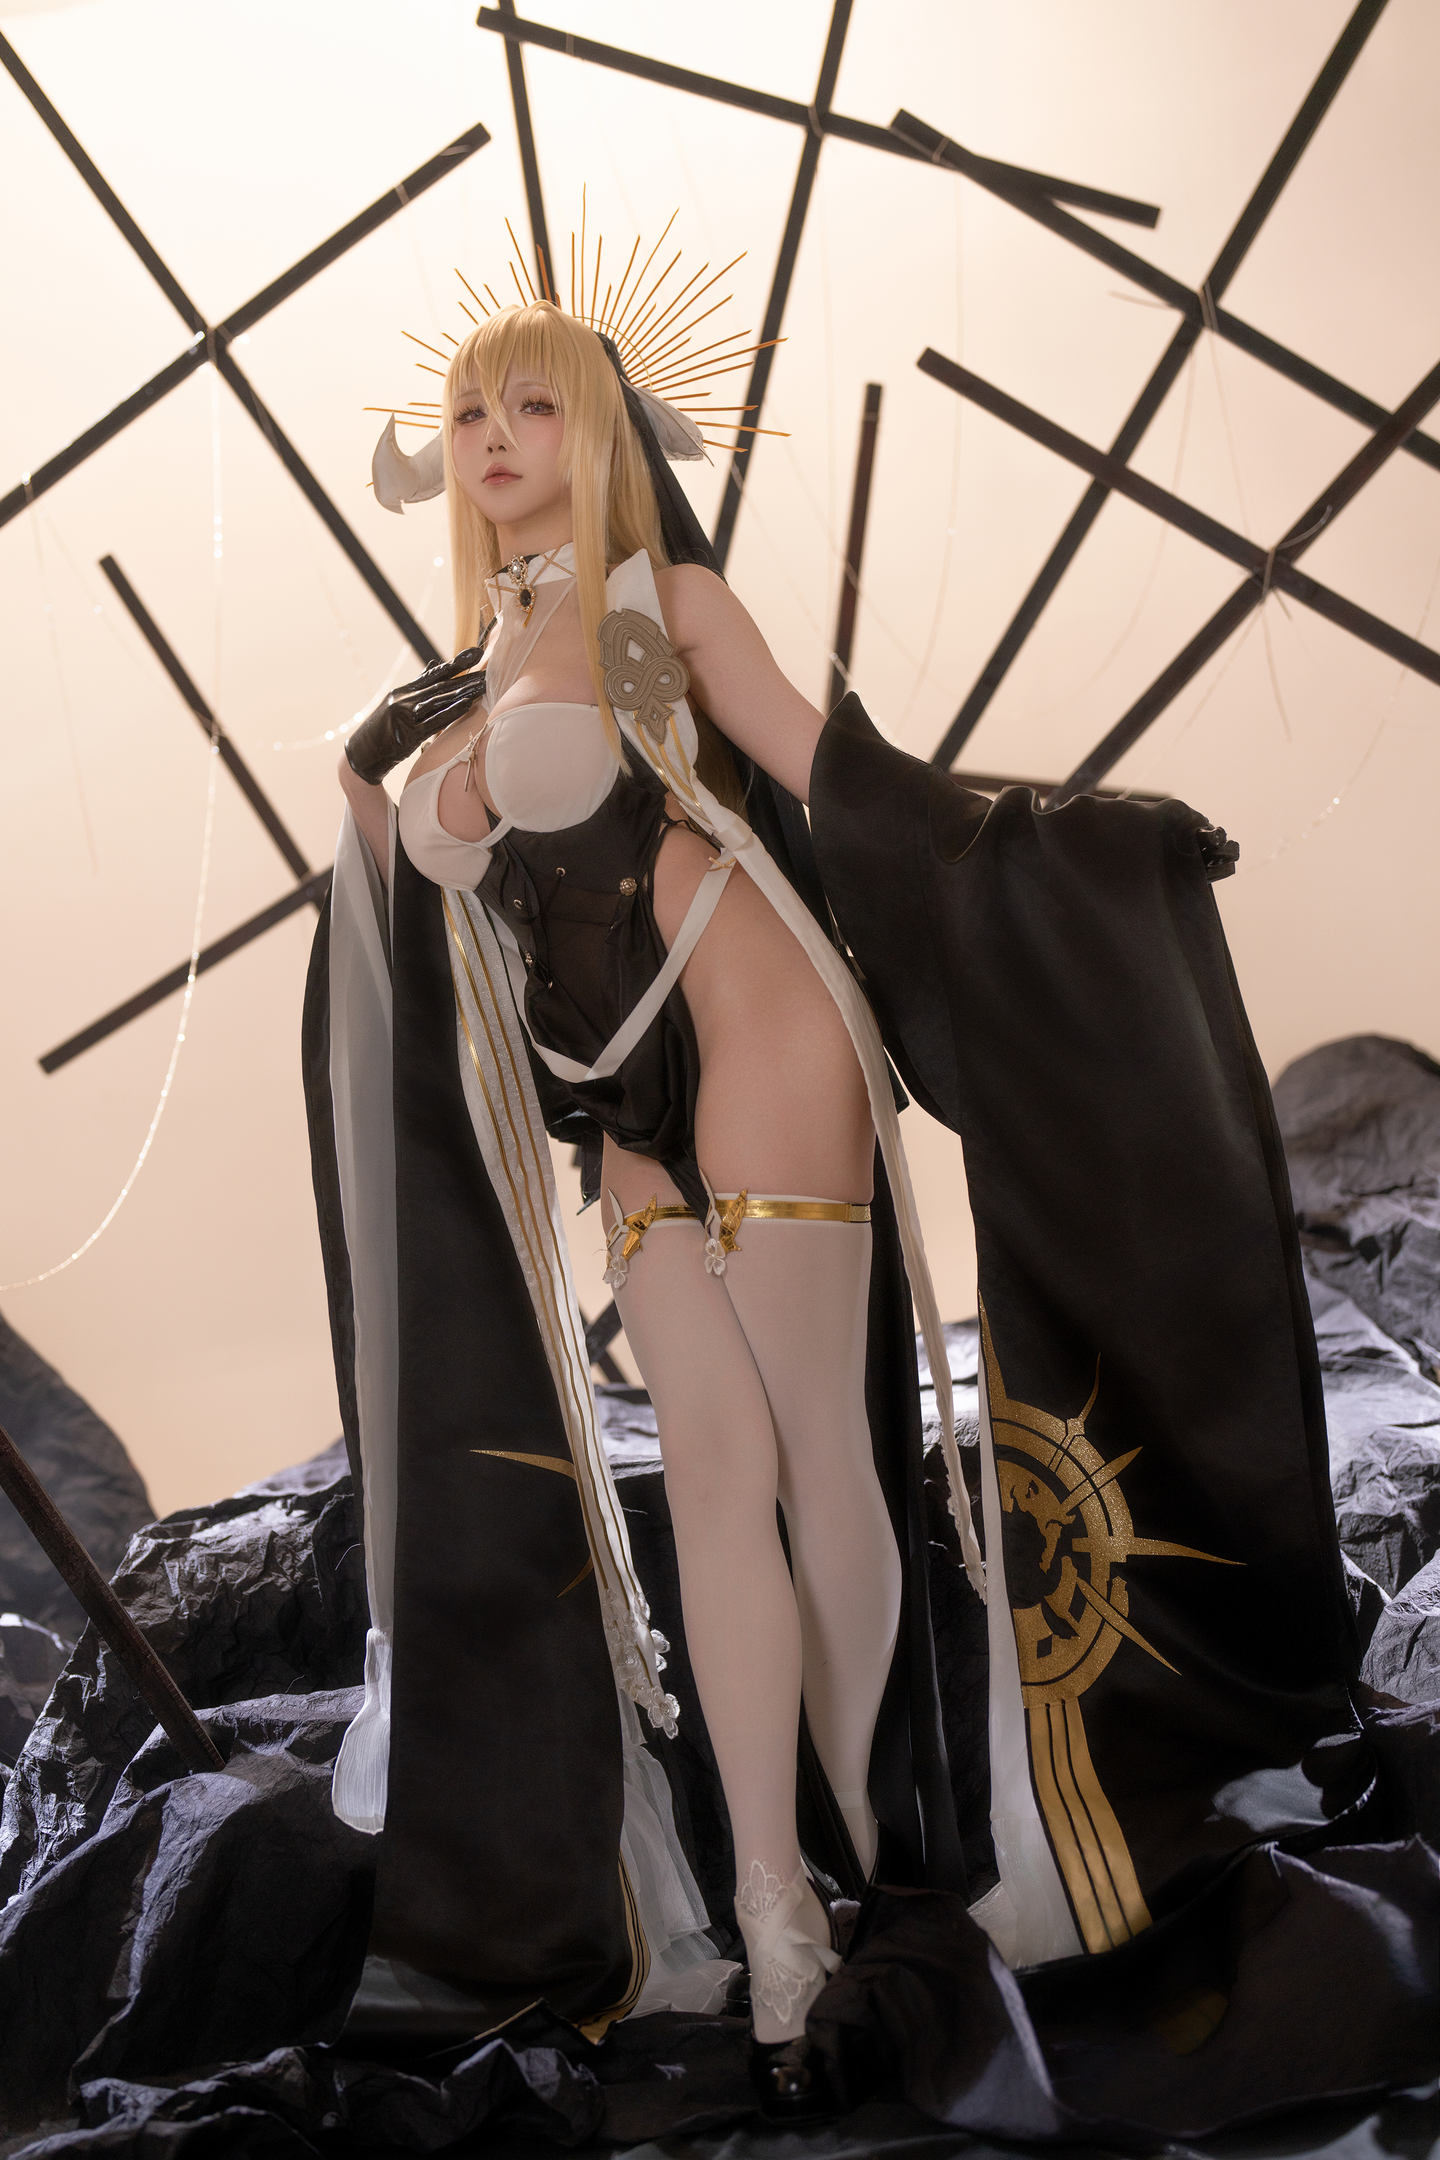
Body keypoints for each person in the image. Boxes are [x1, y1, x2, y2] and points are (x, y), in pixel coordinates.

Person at [304, 274, 1432, 2131]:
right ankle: (772, 1906)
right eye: (472, 415)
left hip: (759, 1022)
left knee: (818, 1449)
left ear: (601, 435)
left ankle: (892, 1859)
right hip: (618, 1097)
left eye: (537, 406)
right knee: (713, 1471)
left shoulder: (663, 609)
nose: (497, 442)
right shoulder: (463, 677)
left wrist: (1090, 849)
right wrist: (385, 773)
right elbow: (410, 900)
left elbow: (844, 783)